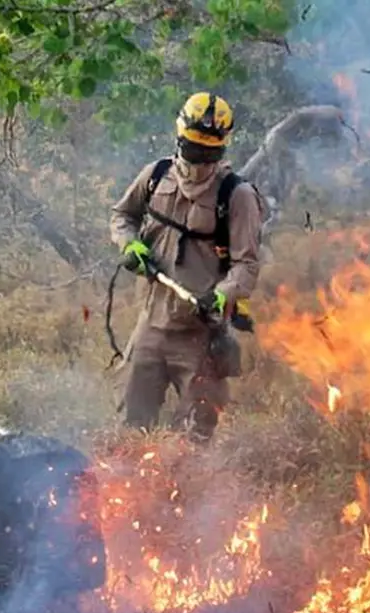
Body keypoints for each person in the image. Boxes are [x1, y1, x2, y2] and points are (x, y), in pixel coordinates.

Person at [109, 92, 263, 443]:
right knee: (132, 430)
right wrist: (129, 244)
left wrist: (222, 296)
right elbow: (122, 216)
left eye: (209, 153)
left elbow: (247, 265)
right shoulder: (156, 175)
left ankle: (193, 496)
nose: (200, 162)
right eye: (194, 150)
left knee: (194, 439)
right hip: (151, 326)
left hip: (200, 336)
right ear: (180, 136)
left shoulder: (237, 196)